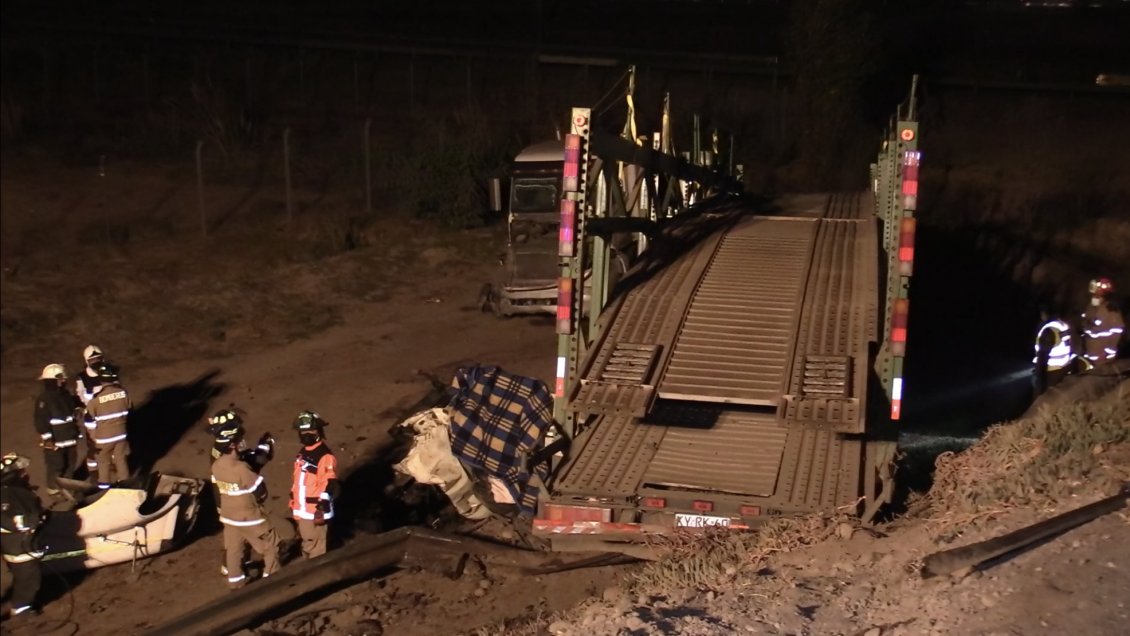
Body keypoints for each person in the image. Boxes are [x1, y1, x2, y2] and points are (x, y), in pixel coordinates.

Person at [210, 409, 280, 588]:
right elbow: (261, 492)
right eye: (239, 439)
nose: (242, 441)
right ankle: (271, 581)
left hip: (229, 516)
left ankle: (236, 584)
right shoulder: (241, 468)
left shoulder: (216, 465)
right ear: (232, 444)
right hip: (249, 516)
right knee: (271, 546)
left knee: (234, 550)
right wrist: (263, 451)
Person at [289, 410, 339, 559]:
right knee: (308, 544)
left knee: (317, 550)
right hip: (303, 510)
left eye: (311, 431)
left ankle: (318, 572)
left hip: (315, 511)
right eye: (303, 432)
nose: (306, 434)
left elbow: (329, 482)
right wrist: (293, 501)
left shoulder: (325, 456)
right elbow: (298, 480)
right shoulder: (303, 453)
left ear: (319, 431)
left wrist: (321, 507)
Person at [1, 453, 45, 619]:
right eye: (21, 471)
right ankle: (21, 608)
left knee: (24, 576)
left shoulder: (15, 490)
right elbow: (6, 520)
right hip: (19, 546)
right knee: (28, 578)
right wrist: (32, 520)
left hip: (21, 544)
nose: (25, 473)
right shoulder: (8, 494)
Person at [33, 364, 82, 499]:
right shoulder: (44, 399)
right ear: (51, 380)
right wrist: (48, 439)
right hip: (55, 440)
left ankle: (67, 487)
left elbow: (71, 409)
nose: (63, 380)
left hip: (69, 437)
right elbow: (41, 420)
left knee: (71, 463)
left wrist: (78, 409)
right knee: (56, 465)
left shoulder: (65, 394)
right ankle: (53, 489)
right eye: (60, 378)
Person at [84, 362, 131, 489]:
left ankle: (104, 489)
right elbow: (129, 408)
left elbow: (88, 421)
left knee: (103, 463)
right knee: (121, 460)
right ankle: (126, 487)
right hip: (121, 434)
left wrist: (93, 437)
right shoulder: (123, 393)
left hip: (104, 438)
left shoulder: (96, 399)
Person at [1080, 277, 1125, 368]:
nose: (1094, 293)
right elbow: (1087, 322)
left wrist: (1108, 352)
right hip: (1090, 351)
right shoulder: (1091, 306)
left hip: (1102, 356)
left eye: (1097, 290)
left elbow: (1116, 332)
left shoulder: (1111, 310)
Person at [75, 345, 106, 479]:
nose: (96, 362)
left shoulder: (109, 372)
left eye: (98, 359)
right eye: (93, 360)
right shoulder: (82, 377)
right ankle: (93, 472)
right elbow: (80, 395)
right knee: (94, 447)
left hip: (107, 415)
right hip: (92, 419)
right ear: (87, 361)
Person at [1032, 315, 1076, 396]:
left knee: (1048, 398)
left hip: (1050, 373)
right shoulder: (1064, 326)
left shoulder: (1049, 330)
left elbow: (1042, 359)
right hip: (1063, 369)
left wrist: (1039, 392)